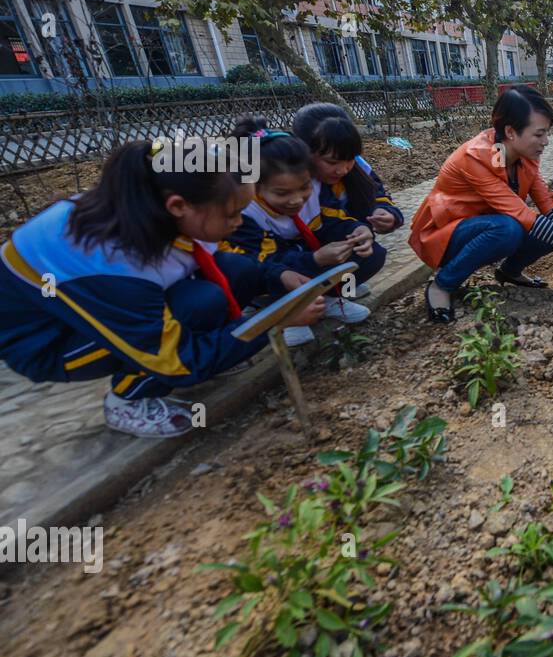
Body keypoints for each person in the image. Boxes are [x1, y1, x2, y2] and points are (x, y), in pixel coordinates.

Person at [0, 139, 324, 437]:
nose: (239, 223)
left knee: (234, 271)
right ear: (179, 206)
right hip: (48, 345)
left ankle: (218, 346)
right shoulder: (112, 264)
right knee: (196, 309)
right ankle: (128, 399)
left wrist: (276, 277)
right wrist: (274, 320)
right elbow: (178, 362)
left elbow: (224, 260)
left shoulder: (152, 206)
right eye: (233, 214)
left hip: (88, 310)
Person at [408, 86, 553, 323]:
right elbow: (525, 217)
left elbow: (550, 207)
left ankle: (510, 271)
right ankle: (442, 285)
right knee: (509, 228)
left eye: (547, 133)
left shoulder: (521, 157)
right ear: (510, 131)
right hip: (444, 234)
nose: (546, 142)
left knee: (546, 228)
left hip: (487, 226)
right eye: (539, 134)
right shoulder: (476, 158)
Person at [224, 118, 384, 346]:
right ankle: (281, 311)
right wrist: (314, 259)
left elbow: (331, 218)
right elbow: (263, 261)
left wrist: (358, 229)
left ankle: (331, 297)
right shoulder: (245, 212)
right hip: (273, 269)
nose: (296, 200)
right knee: (274, 273)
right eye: (282, 193)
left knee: (372, 254)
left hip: (304, 256)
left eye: (304, 188)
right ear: (256, 186)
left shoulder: (318, 189)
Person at [292, 102, 401, 300]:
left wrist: (386, 213)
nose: (342, 170)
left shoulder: (356, 167)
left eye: (349, 159)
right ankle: (298, 305)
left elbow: (378, 193)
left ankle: (339, 292)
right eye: (332, 162)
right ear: (305, 150)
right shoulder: (294, 183)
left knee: (371, 254)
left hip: (326, 244)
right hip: (289, 255)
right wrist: (312, 258)